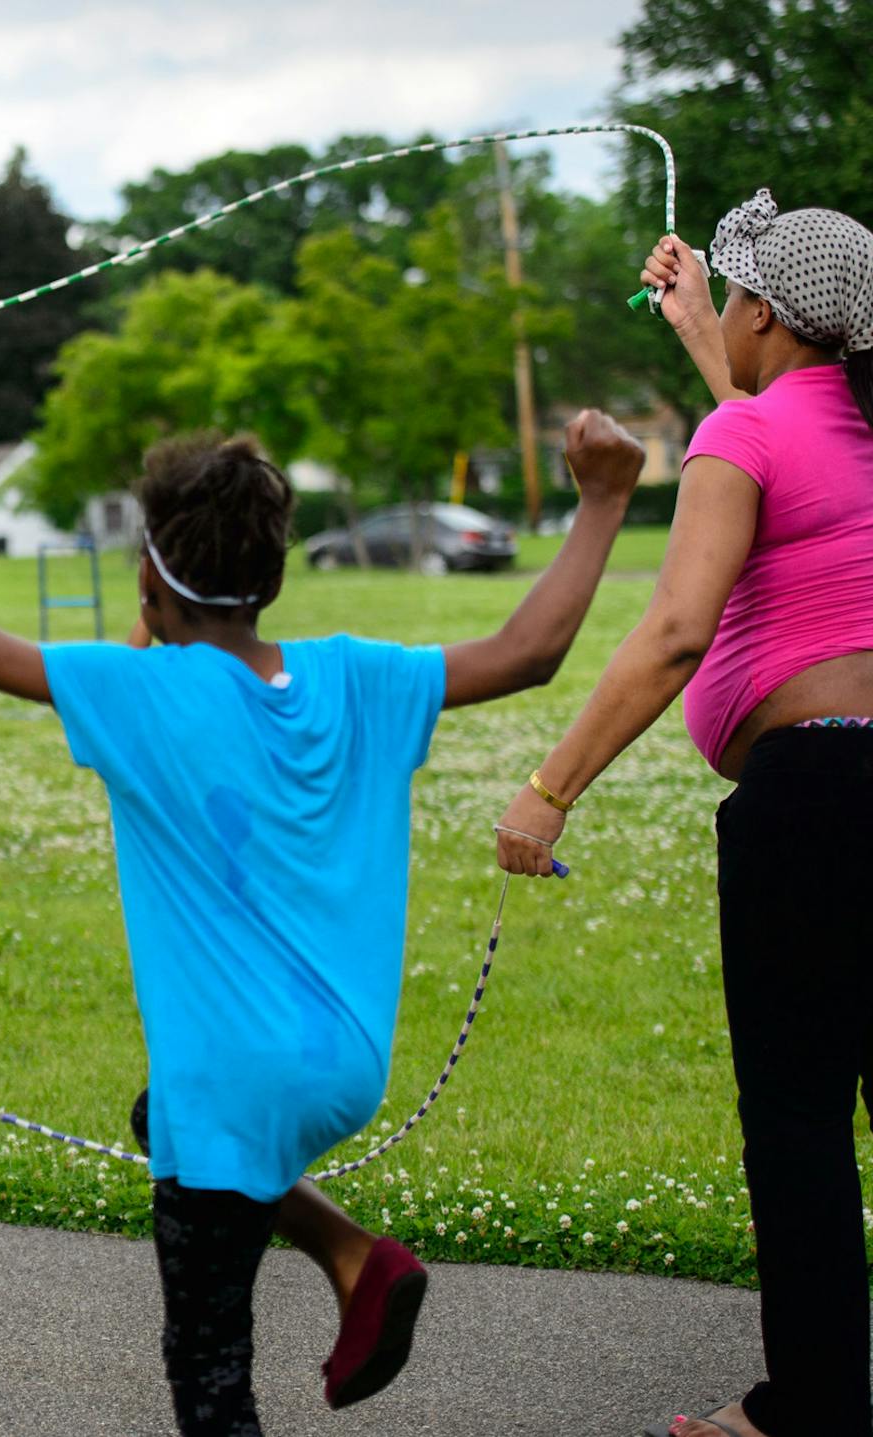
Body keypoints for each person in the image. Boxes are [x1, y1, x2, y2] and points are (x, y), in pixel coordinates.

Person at [0, 367, 646, 1432]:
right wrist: (605, 498)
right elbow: (530, 655)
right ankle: (353, 1258)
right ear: (271, 576)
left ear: (150, 584)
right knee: (156, 1117)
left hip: (232, 1087)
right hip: (347, 1068)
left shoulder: (138, 690)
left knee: (210, 1383)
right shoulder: (358, 675)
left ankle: (345, 1271)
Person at [496, 195, 873, 1437]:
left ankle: (810, 1410)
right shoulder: (843, 424)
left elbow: (671, 636)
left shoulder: (747, 438)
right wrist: (707, 335)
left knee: (802, 1117)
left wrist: (548, 791)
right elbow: (778, 429)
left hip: (815, 803)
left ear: (770, 308)